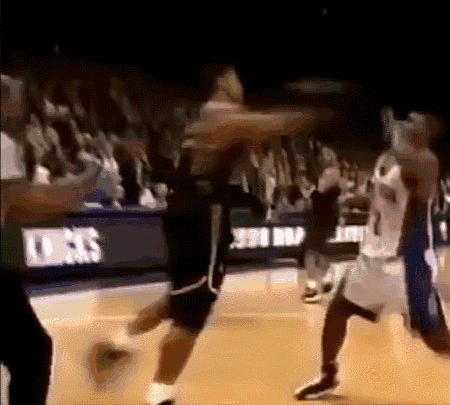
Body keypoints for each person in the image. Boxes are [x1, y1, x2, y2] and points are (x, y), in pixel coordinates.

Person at [294, 110, 450, 405]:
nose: (407, 122)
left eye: (414, 121)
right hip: (372, 260)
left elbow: (412, 180)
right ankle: (328, 374)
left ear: (426, 131)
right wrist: (356, 198)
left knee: (439, 340)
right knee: (338, 308)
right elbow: (384, 198)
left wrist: (392, 135)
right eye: (406, 118)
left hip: (406, 266)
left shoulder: (424, 162)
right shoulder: (388, 158)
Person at [114, 65, 315, 405]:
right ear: (221, 81)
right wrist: (319, 111)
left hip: (186, 209)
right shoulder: (222, 113)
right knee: (193, 311)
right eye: (235, 77)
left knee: (180, 297)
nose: (240, 84)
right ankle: (159, 395)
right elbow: (275, 125)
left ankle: (117, 342)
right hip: (202, 215)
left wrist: (244, 197)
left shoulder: (205, 117)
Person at [1, 74, 101, 405]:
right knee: (32, 354)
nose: (25, 109)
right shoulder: (2, 143)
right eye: (19, 100)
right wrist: (83, 181)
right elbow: (28, 206)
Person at [300, 142, 343, 304]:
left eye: (324, 155)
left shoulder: (331, 172)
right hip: (324, 217)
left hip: (323, 217)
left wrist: (308, 191)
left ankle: (313, 289)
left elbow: (319, 196)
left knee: (311, 252)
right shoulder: (330, 173)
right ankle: (326, 279)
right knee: (317, 250)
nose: (321, 158)